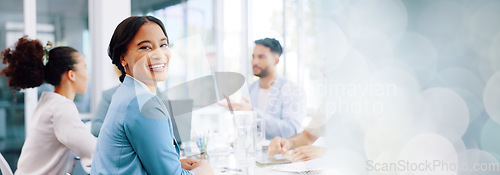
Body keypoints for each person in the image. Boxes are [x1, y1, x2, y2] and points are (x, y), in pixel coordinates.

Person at [91, 16, 212, 175]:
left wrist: (174, 163)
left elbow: (128, 158)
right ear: (123, 58)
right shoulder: (143, 104)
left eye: (163, 45)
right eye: (146, 47)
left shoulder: (126, 92)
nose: (158, 54)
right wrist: (204, 170)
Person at [0, 36, 96, 174]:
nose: (87, 76)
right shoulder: (61, 108)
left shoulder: (50, 103)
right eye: (84, 68)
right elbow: (92, 150)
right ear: (71, 75)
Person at [220, 38, 306, 139]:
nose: (254, 62)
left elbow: (290, 131)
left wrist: (253, 112)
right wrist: (238, 113)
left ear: (276, 60)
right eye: (253, 57)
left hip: (281, 154)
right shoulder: (250, 89)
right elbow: (242, 130)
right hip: (252, 152)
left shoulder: (292, 90)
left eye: (261, 57)